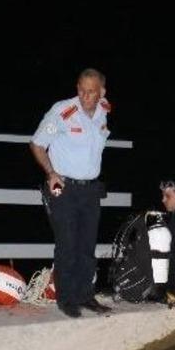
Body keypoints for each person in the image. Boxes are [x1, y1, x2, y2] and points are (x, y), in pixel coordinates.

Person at [30, 68, 113, 318]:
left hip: (90, 190)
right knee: (67, 244)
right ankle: (66, 299)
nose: (85, 96)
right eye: (81, 90)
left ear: (102, 93)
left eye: (91, 92)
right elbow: (37, 144)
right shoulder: (63, 113)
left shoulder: (104, 110)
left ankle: (86, 295)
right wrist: (50, 173)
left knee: (87, 246)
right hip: (62, 187)